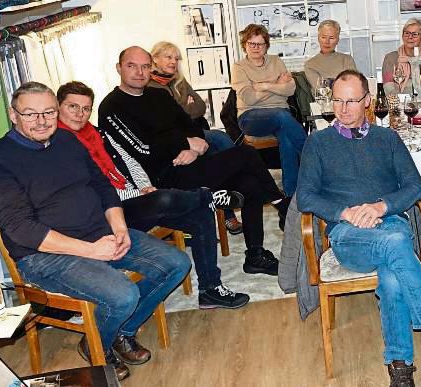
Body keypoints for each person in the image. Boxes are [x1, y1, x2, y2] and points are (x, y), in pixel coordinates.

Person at [0, 82, 191, 380]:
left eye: (48, 112)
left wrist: (120, 229)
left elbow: (103, 187)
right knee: (123, 295)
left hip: (101, 234)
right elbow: (22, 230)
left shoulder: (68, 142)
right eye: (30, 114)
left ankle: (118, 332)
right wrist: (92, 250)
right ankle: (98, 348)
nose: (41, 121)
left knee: (176, 264)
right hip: (45, 256)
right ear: (13, 115)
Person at [297, 69, 421, 386]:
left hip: (390, 222)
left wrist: (380, 206)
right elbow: (305, 196)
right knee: (397, 247)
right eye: (337, 101)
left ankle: (400, 368)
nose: (344, 109)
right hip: (348, 234)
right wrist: (346, 212)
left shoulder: (386, 138)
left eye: (351, 101)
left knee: (392, 273)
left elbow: (414, 187)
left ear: (367, 101)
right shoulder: (318, 143)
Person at [56, 81, 249, 309]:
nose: (80, 114)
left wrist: (144, 185)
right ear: (58, 107)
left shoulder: (97, 133)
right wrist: (138, 193)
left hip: (134, 199)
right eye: (73, 107)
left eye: (85, 108)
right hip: (109, 215)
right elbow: (96, 189)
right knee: (166, 199)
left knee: (199, 213)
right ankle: (209, 197)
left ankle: (210, 289)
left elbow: (127, 159)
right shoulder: (59, 145)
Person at [99, 46, 286, 276]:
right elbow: (141, 149)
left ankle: (255, 255)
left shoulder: (159, 95)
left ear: (151, 68)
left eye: (145, 66)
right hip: (161, 178)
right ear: (119, 68)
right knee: (246, 154)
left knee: (249, 183)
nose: (139, 72)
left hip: (191, 164)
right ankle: (280, 204)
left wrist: (194, 150)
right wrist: (183, 143)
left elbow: (192, 126)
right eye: (131, 66)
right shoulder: (110, 107)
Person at [148, 41, 242, 234]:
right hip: (175, 139)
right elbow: (170, 119)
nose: (173, 62)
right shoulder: (150, 87)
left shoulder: (179, 80)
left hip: (194, 131)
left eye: (176, 58)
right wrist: (185, 106)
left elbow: (200, 106)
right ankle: (235, 192)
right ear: (155, 59)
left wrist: (184, 108)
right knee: (220, 138)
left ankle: (228, 211)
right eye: (168, 57)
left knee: (216, 155)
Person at [231, 24, 307, 198]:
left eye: (260, 44)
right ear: (245, 45)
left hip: (281, 115)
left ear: (266, 45)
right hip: (251, 117)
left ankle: (291, 195)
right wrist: (277, 85)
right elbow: (249, 99)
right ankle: (311, 154)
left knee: (287, 139)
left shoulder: (276, 61)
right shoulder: (239, 67)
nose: (256, 48)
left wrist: (264, 86)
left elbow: (290, 90)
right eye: (252, 44)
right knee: (281, 116)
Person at [382, 18, 421, 95]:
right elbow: (388, 89)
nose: (410, 37)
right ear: (402, 36)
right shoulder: (390, 58)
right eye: (407, 33)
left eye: (415, 34)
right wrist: (405, 102)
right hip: (400, 104)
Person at [303, 19, 357, 96]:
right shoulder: (310, 65)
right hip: (323, 104)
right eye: (323, 37)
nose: (327, 42)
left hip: (348, 100)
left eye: (331, 38)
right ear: (318, 38)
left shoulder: (347, 60)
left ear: (338, 40)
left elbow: (354, 85)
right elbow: (322, 91)